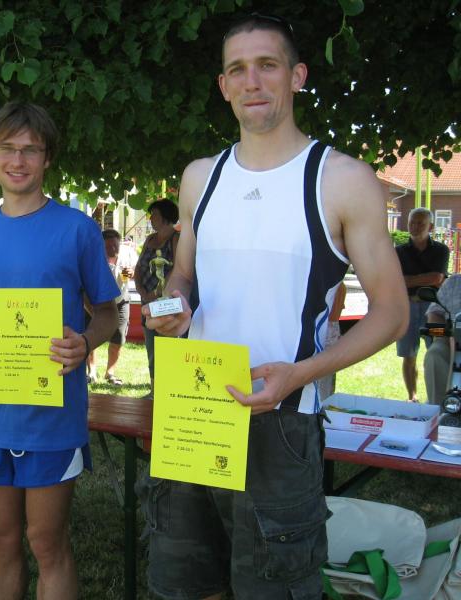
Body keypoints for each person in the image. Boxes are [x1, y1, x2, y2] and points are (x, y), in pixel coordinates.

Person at [140, 14, 408, 600]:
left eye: (267, 65)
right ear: (223, 85)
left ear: (297, 76)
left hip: (282, 419)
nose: (252, 81)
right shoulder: (200, 177)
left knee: (271, 590)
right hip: (195, 406)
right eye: (238, 69)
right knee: (186, 586)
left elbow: (392, 312)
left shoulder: (342, 179)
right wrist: (171, 305)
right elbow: (183, 274)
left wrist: (302, 374)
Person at [0, 101, 119, 600]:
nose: (18, 160)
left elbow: (107, 313)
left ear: (47, 158)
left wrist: (85, 342)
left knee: (47, 543)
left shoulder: (77, 229)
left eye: (31, 150)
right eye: (8, 148)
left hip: (51, 416)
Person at [396, 207, 449, 401]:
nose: (415, 227)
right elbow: (396, 281)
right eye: (412, 222)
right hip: (407, 308)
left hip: (433, 311)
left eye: (420, 223)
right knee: (408, 355)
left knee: (436, 352)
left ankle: (436, 398)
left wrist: (409, 280)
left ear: (431, 227)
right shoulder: (399, 251)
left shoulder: (441, 250)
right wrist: (425, 278)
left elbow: (437, 278)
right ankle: (412, 397)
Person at [133, 198, 179, 394]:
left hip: (166, 302)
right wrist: (141, 290)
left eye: (155, 215)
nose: (151, 218)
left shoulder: (176, 238)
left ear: (166, 217)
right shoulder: (150, 239)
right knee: (151, 345)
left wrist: (156, 293)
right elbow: (138, 267)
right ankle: (154, 391)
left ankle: (168, 391)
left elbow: (177, 269)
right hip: (146, 301)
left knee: (167, 346)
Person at [86, 229, 134, 386]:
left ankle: (110, 373)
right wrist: (91, 309)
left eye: (115, 245)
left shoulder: (128, 254)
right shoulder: (93, 258)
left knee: (118, 338)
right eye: (108, 246)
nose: (112, 249)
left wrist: (132, 273)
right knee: (90, 336)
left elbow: (135, 273)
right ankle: (91, 372)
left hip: (121, 300)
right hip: (96, 303)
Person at [424, 274, 461, 405]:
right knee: (435, 353)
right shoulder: (453, 283)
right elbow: (434, 313)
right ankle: (440, 408)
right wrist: (443, 334)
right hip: (451, 340)